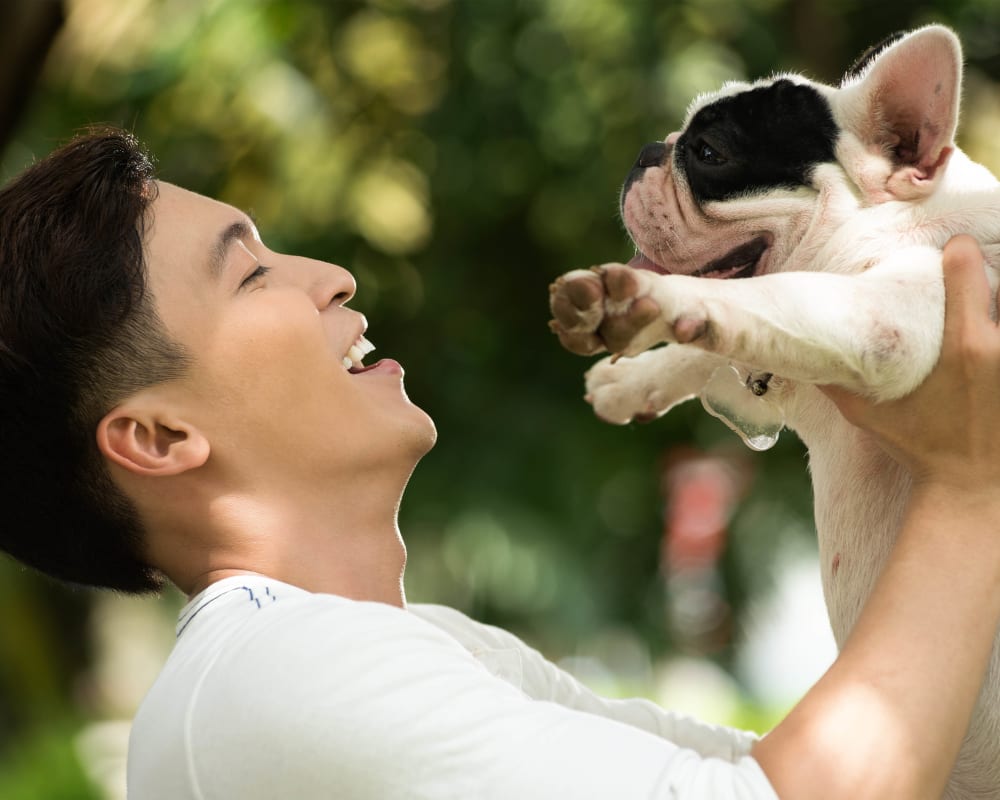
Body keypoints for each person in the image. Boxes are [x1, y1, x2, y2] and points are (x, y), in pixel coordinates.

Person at [0, 128, 997, 800]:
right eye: (251, 270)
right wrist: (966, 485)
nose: (329, 275)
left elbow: (800, 766)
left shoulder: (408, 647)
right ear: (160, 437)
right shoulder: (269, 672)